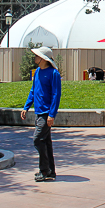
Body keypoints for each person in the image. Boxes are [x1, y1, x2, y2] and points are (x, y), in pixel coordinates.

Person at [21, 46, 62, 182]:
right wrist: (26, 107)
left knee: (38, 139)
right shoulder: (37, 72)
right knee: (46, 142)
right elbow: (33, 91)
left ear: (44, 58)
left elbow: (56, 95)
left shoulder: (53, 73)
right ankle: (50, 171)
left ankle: (44, 170)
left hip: (46, 113)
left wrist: (52, 115)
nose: (35, 57)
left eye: (37, 56)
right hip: (38, 112)